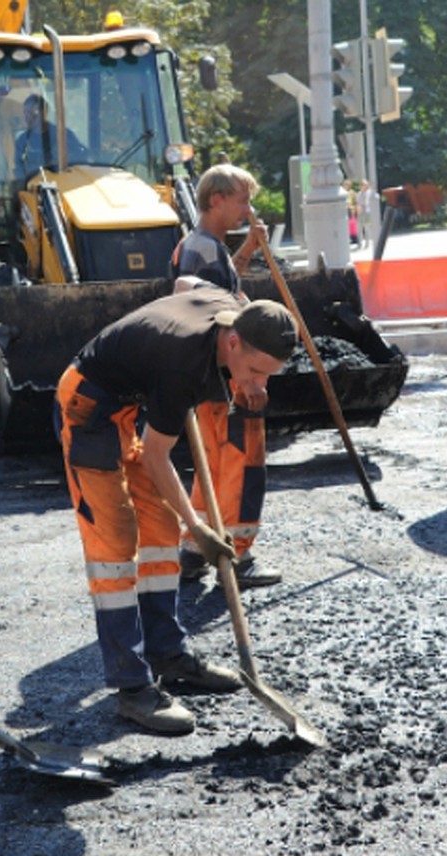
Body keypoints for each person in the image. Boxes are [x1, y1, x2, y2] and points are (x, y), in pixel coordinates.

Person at [54, 287, 299, 734]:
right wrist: (199, 526)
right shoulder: (182, 362)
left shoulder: (233, 311)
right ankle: (133, 689)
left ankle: (168, 654)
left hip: (126, 408)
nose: (258, 384)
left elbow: (187, 284)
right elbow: (155, 455)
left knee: (159, 530)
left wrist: (183, 523)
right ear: (230, 342)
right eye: (255, 371)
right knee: (115, 543)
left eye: (269, 376)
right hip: (88, 407)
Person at [169, 164, 280, 590]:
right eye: (242, 201)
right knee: (241, 463)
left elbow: (223, 289)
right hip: (227, 375)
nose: (248, 210)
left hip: (205, 377)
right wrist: (249, 379)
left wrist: (249, 249)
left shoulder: (198, 247)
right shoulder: (205, 251)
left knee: (212, 465)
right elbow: (222, 317)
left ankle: (196, 548)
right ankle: (239, 553)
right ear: (216, 200)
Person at [14, 94, 88, 178]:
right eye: (25, 113)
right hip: (32, 187)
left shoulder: (64, 136)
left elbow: (79, 160)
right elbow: (18, 168)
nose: (27, 118)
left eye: (31, 113)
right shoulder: (22, 141)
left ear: (43, 113)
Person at [358, 181, 378, 250]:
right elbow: (358, 202)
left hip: (367, 212)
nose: (362, 187)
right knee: (359, 228)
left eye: (363, 185)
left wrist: (363, 203)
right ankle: (360, 244)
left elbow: (370, 202)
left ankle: (367, 244)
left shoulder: (369, 193)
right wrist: (358, 207)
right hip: (360, 212)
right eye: (361, 185)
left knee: (366, 228)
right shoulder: (359, 194)